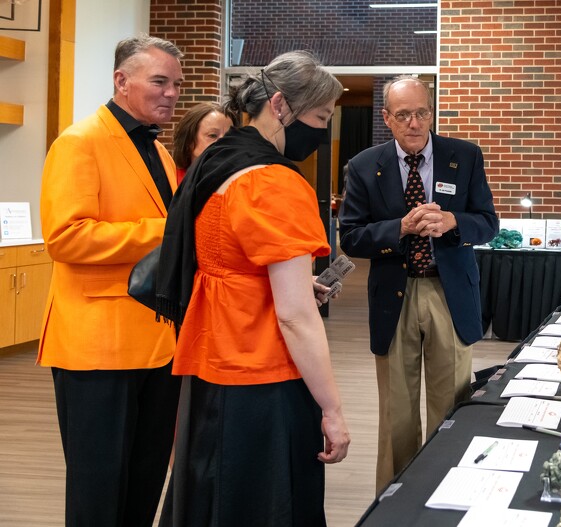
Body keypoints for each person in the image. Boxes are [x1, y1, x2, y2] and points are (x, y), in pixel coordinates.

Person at [156, 50, 350, 527]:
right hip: (261, 368)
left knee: (211, 494)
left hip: (211, 356)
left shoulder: (217, 159)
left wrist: (295, 282)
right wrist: (332, 409)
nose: (322, 131)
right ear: (279, 105)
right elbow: (294, 316)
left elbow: (229, 259)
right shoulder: (274, 182)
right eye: (320, 118)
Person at [38, 35, 183, 526]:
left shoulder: (159, 151)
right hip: (97, 348)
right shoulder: (78, 142)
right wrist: (166, 230)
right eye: (159, 81)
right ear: (122, 80)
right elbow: (66, 238)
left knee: (143, 487)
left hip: (157, 342)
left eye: (176, 84)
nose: (171, 93)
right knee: (98, 496)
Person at [338, 75, 499, 493]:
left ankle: (447, 493)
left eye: (422, 113)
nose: (414, 123)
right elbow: (351, 237)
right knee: (398, 414)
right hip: (396, 295)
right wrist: (400, 228)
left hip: (449, 294)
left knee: (452, 406)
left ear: (431, 112)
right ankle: (396, 502)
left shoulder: (464, 156)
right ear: (387, 118)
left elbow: (488, 223)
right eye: (404, 114)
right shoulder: (364, 166)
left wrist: (453, 222)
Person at [172, 102, 235, 184]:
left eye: (229, 136)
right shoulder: (170, 182)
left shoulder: (242, 182)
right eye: (213, 135)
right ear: (189, 141)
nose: (223, 143)